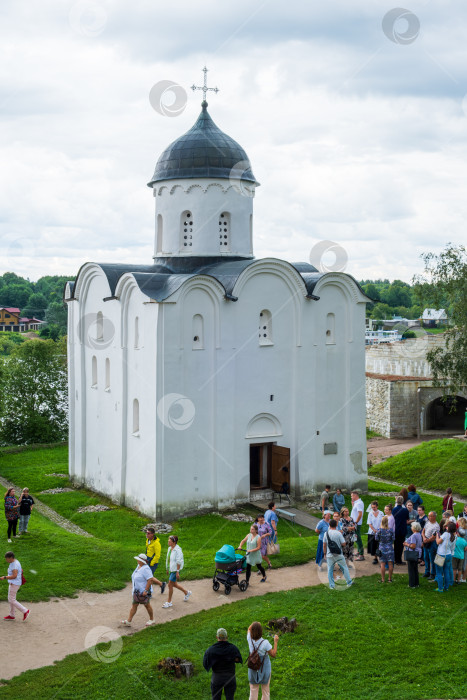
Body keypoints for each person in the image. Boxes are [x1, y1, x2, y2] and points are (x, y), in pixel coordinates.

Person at [203, 627, 243, 700]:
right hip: (230, 678)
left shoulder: (211, 650)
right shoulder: (233, 648)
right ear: (226, 637)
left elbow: (206, 663)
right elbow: (238, 659)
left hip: (217, 678)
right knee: (230, 698)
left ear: (217, 637)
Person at [121, 553, 159, 626]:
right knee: (134, 605)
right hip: (137, 591)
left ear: (142, 561)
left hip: (143, 592)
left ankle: (152, 619)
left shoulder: (146, 569)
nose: (137, 560)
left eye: (139, 560)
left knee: (147, 606)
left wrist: (146, 590)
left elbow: (150, 580)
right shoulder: (139, 566)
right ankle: (129, 621)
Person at [247, 621, 278, 700]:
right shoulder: (265, 643)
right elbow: (273, 654)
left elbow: (249, 629)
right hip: (264, 668)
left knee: (253, 689)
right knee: (265, 690)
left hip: (253, 667)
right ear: (261, 631)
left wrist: (255, 623)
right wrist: (275, 642)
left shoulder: (249, 639)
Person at [324, 519, 354, 588]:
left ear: (329, 525)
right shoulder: (338, 533)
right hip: (338, 554)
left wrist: (324, 554)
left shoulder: (326, 533)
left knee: (330, 570)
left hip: (329, 554)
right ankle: (349, 582)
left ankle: (332, 586)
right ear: (336, 525)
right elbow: (343, 544)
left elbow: (324, 545)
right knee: (344, 568)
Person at [163, 535, 191, 608]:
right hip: (171, 569)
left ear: (174, 542)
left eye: (169, 541)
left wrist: (177, 572)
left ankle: (169, 602)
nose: (168, 542)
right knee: (174, 584)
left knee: (170, 585)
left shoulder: (178, 550)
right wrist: (167, 568)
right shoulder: (169, 548)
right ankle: (186, 592)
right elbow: (168, 559)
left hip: (175, 570)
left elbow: (179, 562)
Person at [0, 551, 29, 621]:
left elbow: (14, 576)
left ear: (11, 558)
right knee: (11, 599)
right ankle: (12, 615)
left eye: (7, 559)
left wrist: (4, 577)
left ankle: (25, 611)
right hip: (14, 583)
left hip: (14, 584)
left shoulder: (14, 565)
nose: (6, 560)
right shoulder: (15, 562)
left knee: (11, 600)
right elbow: (20, 570)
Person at [434, 522, 456, 592]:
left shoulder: (446, 534)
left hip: (441, 554)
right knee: (446, 571)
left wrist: (437, 535)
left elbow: (438, 542)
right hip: (449, 555)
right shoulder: (454, 536)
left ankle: (440, 588)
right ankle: (446, 587)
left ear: (448, 528)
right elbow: (453, 547)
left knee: (439, 572)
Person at [145, 527, 166, 594]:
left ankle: (149, 592)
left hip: (153, 562)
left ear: (152, 534)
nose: (147, 534)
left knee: (149, 577)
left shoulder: (156, 543)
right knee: (149, 576)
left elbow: (157, 555)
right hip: (147, 560)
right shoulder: (148, 540)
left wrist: (152, 563)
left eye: (148, 533)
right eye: (146, 533)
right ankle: (161, 584)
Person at [375, 516, 395, 583]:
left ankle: (383, 579)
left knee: (382, 564)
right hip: (389, 548)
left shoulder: (379, 530)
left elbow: (376, 538)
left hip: (382, 548)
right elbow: (393, 538)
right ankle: (389, 579)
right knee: (390, 564)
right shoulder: (391, 530)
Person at [404, 522, 423, 588]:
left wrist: (406, 544)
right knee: (415, 569)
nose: (411, 528)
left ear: (414, 528)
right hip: (418, 553)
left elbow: (413, 546)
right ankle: (416, 583)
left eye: (412, 526)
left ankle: (412, 584)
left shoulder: (414, 535)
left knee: (411, 569)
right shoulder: (419, 534)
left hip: (412, 554)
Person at [422, 511, 440, 580]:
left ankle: (432, 573)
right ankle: (427, 572)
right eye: (429, 516)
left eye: (430, 516)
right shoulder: (427, 522)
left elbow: (434, 537)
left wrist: (427, 540)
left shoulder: (436, 526)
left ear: (434, 517)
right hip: (426, 540)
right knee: (426, 557)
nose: (429, 517)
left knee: (432, 558)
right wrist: (423, 537)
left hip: (432, 543)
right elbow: (423, 530)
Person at [392, 496, 409, 565]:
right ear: (402, 502)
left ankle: (395, 559)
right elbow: (407, 519)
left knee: (396, 545)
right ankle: (399, 560)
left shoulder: (394, 509)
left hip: (395, 529)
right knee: (401, 545)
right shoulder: (405, 510)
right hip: (402, 529)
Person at [350, 491, 365, 560]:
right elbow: (355, 512)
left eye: (352, 496)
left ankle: (361, 555)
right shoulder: (357, 503)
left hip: (356, 524)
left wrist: (355, 523)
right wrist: (352, 505)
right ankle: (359, 552)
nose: (351, 497)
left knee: (357, 538)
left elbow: (360, 514)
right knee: (356, 538)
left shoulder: (359, 503)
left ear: (355, 496)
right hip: (354, 523)